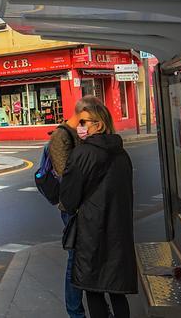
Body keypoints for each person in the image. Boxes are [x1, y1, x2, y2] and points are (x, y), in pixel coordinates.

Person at [60, 96, 137, 318]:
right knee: (116, 290)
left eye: (83, 122)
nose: (79, 127)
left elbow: (69, 199)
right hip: (118, 232)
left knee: (93, 289)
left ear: (98, 125)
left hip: (91, 232)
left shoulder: (83, 154)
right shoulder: (122, 153)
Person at [47, 100, 87, 318]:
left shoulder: (77, 134)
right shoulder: (60, 136)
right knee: (75, 259)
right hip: (71, 207)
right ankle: (74, 311)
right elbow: (66, 173)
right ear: (82, 114)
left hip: (81, 204)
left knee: (83, 258)